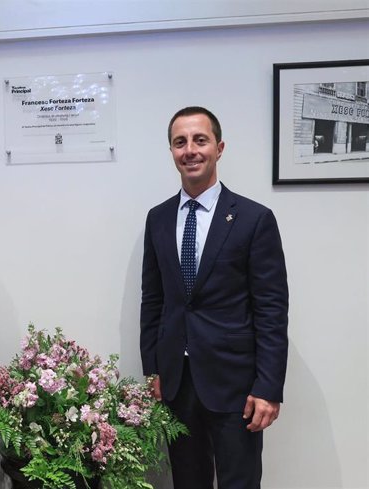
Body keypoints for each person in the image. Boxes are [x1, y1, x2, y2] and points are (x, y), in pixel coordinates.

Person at [139, 106, 289, 489]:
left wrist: (268, 387)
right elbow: (153, 300)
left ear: (219, 148)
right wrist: (153, 369)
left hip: (236, 386)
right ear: (172, 151)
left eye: (200, 140)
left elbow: (271, 310)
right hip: (178, 383)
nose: (190, 150)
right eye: (180, 142)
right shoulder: (157, 218)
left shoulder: (254, 219)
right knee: (188, 482)